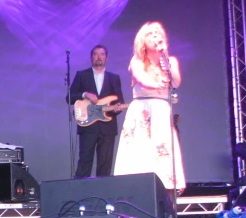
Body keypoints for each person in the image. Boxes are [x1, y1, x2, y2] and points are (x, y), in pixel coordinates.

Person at [113, 22, 185, 191]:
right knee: (140, 151)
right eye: (150, 33)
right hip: (142, 110)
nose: (155, 36)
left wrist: (165, 60)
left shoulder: (170, 61)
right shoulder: (137, 61)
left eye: (157, 33)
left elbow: (176, 81)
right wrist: (157, 84)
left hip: (161, 110)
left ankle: (166, 190)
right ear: (142, 40)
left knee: (162, 151)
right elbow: (142, 79)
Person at [68, 45, 125, 178]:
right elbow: (69, 97)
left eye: (102, 54)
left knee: (105, 164)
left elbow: (119, 101)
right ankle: (80, 194)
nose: (99, 57)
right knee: (84, 162)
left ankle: (102, 195)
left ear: (106, 58)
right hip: (87, 126)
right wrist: (84, 94)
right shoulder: (82, 75)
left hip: (107, 127)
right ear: (91, 57)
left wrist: (117, 109)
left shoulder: (114, 78)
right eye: (95, 54)